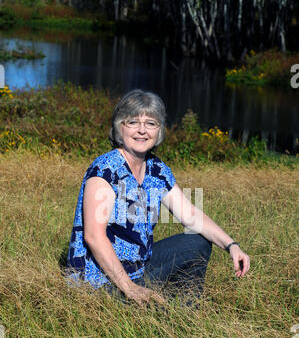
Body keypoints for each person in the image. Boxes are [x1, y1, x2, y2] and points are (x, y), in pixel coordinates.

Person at [65, 89, 250, 307]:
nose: (142, 130)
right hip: (99, 282)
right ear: (119, 127)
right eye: (133, 122)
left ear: (159, 130)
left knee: (197, 241)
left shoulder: (157, 170)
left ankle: (185, 311)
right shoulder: (105, 170)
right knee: (138, 305)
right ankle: (149, 306)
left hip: (137, 270)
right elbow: (94, 237)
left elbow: (190, 215)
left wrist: (231, 246)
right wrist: (129, 288)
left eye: (151, 123)